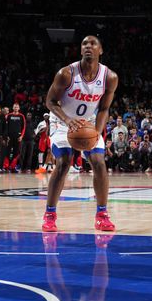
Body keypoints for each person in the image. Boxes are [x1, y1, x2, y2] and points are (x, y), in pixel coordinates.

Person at [42, 35, 118, 232]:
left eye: (93, 44)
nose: (88, 47)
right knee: (64, 161)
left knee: (99, 162)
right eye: (84, 44)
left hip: (89, 123)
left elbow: (104, 108)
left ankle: (102, 214)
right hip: (62, 121)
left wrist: (96, 132)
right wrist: (68, 121)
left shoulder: (110, 77)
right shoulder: (66, 74)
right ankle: (50, 214)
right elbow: (50, 102)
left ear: (100, 50)